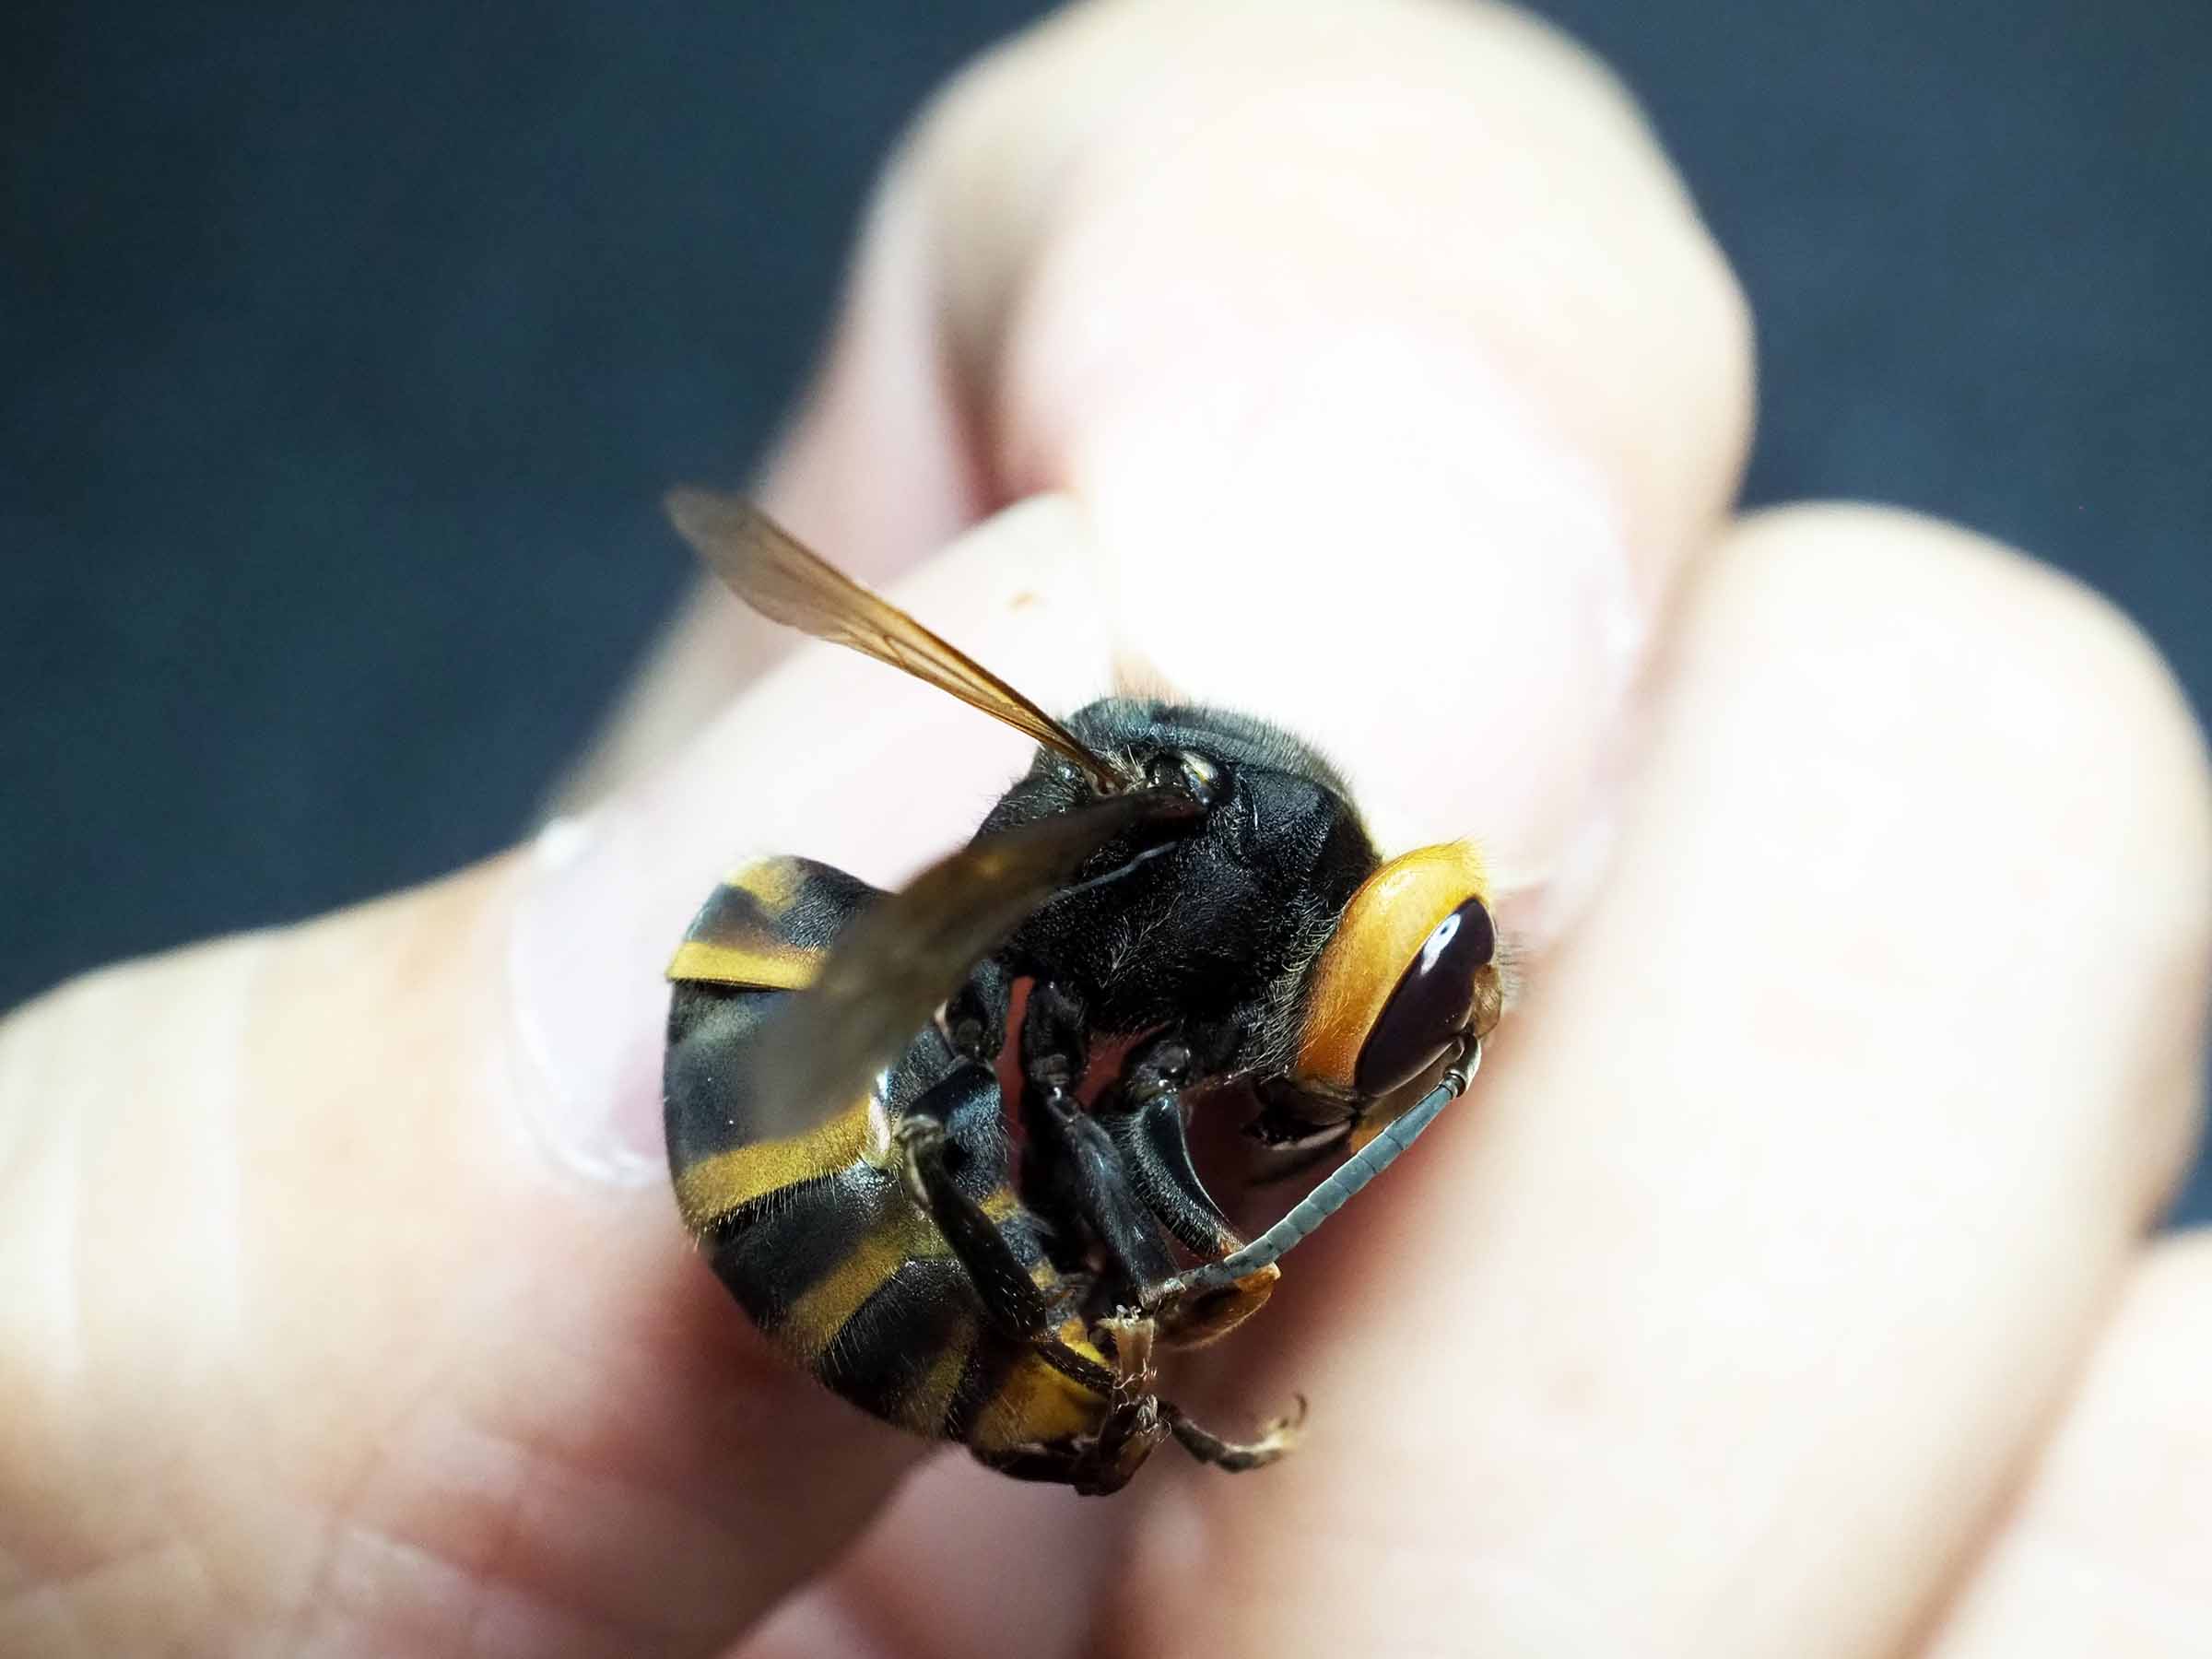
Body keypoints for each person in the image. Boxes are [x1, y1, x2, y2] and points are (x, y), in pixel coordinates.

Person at [3, 2, 2206, 1653]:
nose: (1332, 1093)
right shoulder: (1184, 868)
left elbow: (1074, 1099)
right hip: (809, 1042)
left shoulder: (1184, 994)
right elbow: (1022, 1069)